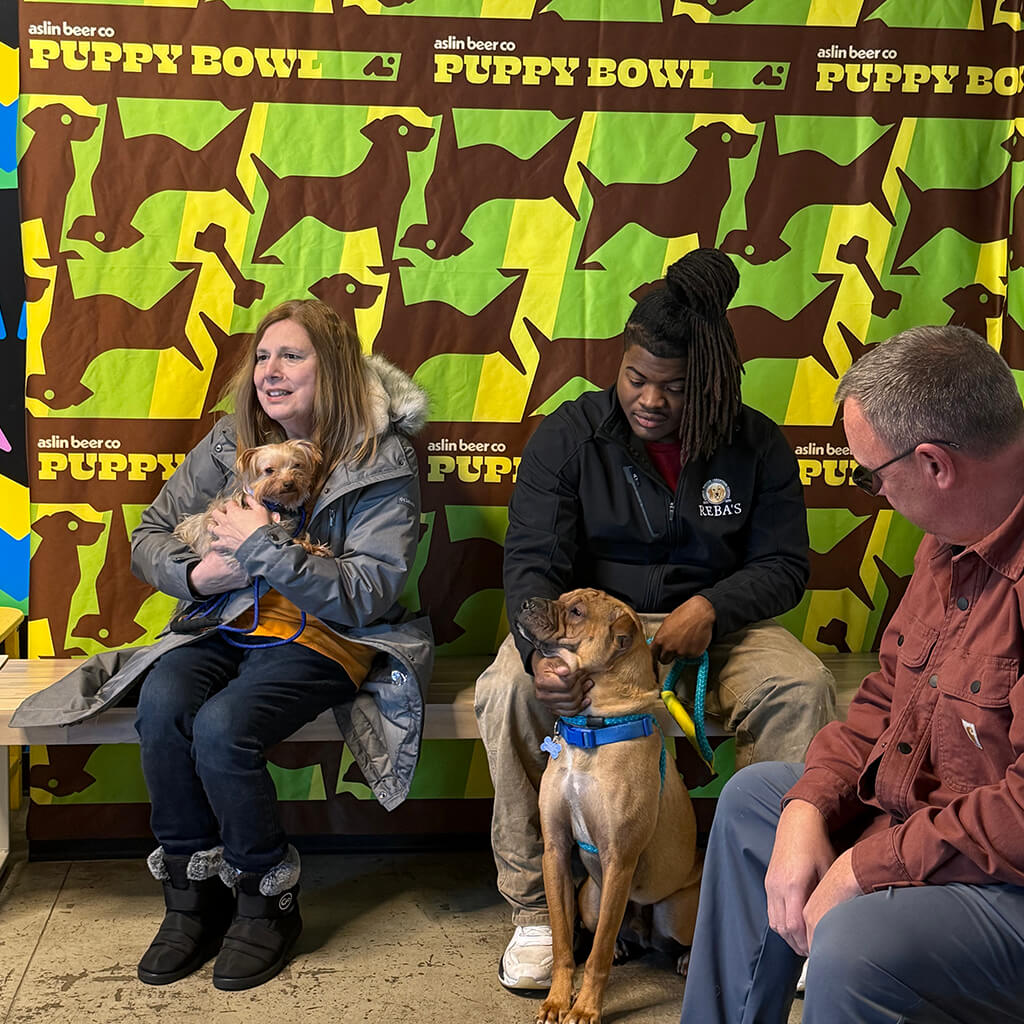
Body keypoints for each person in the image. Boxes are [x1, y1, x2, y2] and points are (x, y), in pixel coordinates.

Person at [12, 299, 432, 991]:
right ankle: (190, 892)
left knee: (223, 725)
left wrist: (264, 549)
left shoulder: (381, 458)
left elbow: (370, 591)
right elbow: (149, 535)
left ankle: (268, 898)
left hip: (333, 637)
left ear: (332, 369)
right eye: (263, 356)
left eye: (291, 356)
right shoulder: (226, 442)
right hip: (226, 620)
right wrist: (199, 572)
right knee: (168, 703)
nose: (270, 370)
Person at [474, 247, 836, 991]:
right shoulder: (570, 435)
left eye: (673, 388)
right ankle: (538, 914)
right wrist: (544, 651)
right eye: (636, 377)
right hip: (593, 629)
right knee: (507, 688)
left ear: (710, 386)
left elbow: (785, 565)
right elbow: (533, 563)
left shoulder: (757, 441)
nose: (649, 399)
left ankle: (779, 907)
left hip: (715, 622)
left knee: (799, 686)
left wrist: (714, 605)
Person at [679, 324, 1024, 1024]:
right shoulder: (951, 543)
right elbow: (883, 702)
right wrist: (810, 806)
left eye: (872, 476)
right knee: (758, 804)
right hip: (942, 826)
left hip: (1008, 878)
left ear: (934, 465)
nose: (874, 493)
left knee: (857, 943)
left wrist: (869, 866)